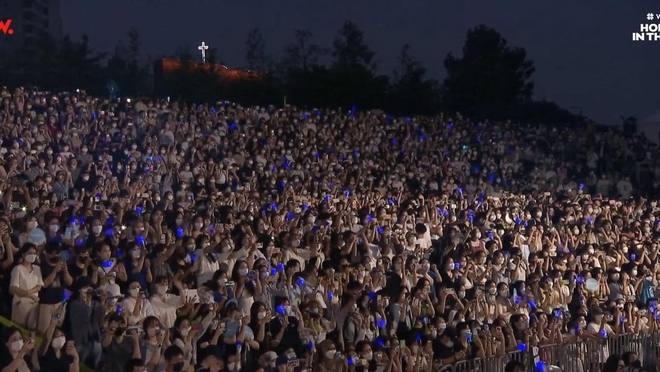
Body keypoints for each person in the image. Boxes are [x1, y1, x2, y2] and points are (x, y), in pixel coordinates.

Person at [9, 243, 43, 329]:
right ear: (23, 254)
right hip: (21, 303)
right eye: (30, 253)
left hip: (34, 305)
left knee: (31, 331)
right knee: (18, 329)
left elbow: (39, 286)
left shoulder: (37, 268)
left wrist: (29, 293)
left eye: (34, 253)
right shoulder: (18, 269)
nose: (32, 256)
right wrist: (30, 295)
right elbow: (13, 288)